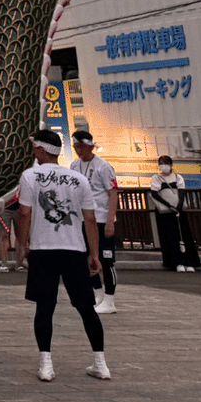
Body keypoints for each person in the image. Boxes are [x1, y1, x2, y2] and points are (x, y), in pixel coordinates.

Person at [16, 130, 109, 381]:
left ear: (42, 150)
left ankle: (46, 364)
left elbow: (24, 213)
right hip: (74, 249)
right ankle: (100, 362)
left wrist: (22, 244)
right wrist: (94, 253)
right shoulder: (78, 179)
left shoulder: (30, 176)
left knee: (45, 307)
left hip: (43, 249)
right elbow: (90, 218)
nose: (33, 152)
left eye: (35, 147)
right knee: (86, 307)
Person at [69, 131, 121, 313]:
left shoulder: (103, 166)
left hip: (101, 217)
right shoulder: (74, 166)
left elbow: (113, 193)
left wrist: (110, 221)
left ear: (90, 146)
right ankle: (97, 293)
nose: (79, 150)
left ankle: (110, 299)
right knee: (86, 257)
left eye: (82, 147)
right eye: (76, 147)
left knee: (106, 260)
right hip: (83, 218)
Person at [150, 156, 199, 273]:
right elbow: (154, 194)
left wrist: (178, 206)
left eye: (166, 163)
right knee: (170, 237)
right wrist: (168, 205)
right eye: (161, 163)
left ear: (171, 165)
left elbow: (182, 193)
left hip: (178, 210)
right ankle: (176, 262)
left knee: (184, 236)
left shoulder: (178, 177)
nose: (163, 166)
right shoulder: (156, 178)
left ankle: (189, 262)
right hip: (165, 212)